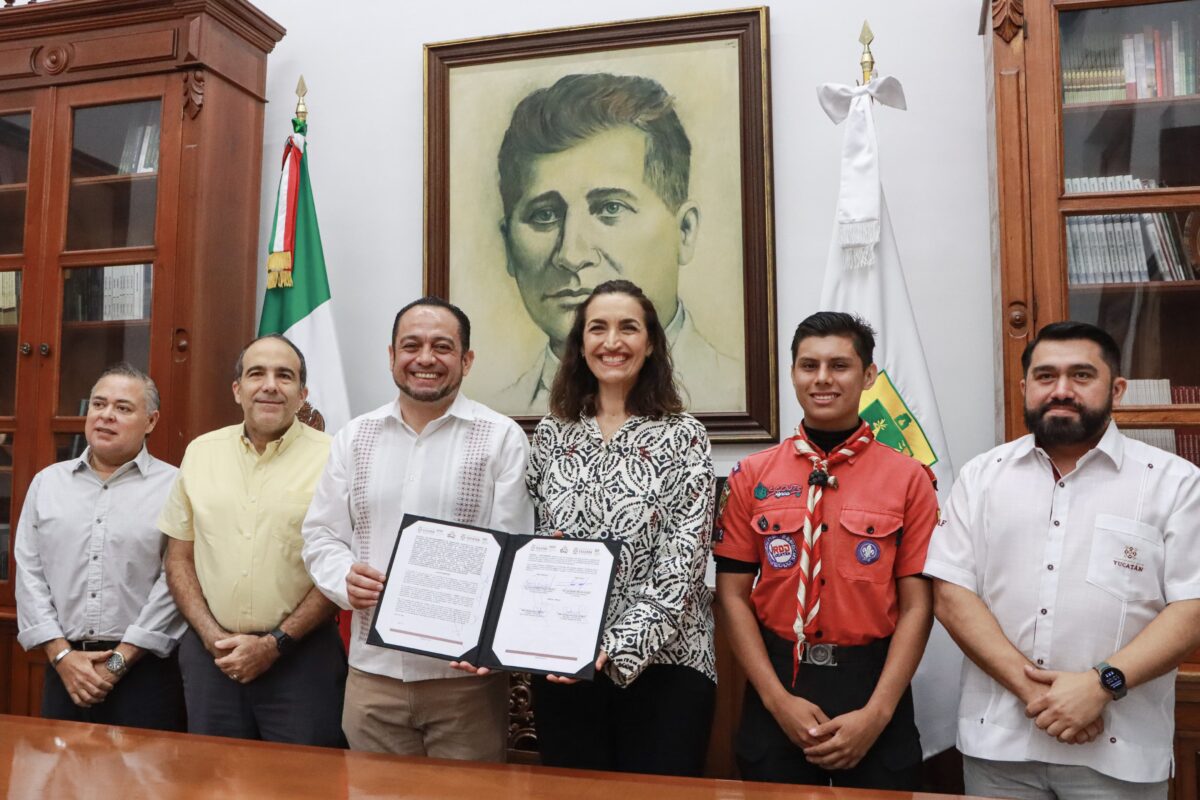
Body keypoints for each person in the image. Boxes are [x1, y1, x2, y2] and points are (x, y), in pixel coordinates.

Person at [925, 321, 1200, 800]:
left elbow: (1191, 607)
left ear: (1116, 388)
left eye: (1081, 375)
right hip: (999, 749)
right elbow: (951, 596)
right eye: (1046, 375)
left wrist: (1101, 686)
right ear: (1025, 386)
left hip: (1120, 753)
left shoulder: (1174, 483)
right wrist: (1035, 693)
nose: (1062, 390)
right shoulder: (981, 477)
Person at [713, 311, 937, 791]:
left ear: (868, 375)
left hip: (872, 682)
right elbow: (731, 596)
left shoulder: (909, 479)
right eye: (808, 365)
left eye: (840, 366)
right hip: (779, 680)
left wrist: (877, 714)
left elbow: (919, 606)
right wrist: (777, 701)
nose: (822, 379)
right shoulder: (752, 476)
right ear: (793, 373)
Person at [301, 297, 533, 760]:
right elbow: (321, 535)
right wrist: (343, 577)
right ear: (392, 356)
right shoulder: (354, 437)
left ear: (466, 360)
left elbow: (513, 551)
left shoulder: (501, 437)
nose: (425, 358)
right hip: (371, 675)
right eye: (411, 345)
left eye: (442, 346)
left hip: (463, 681)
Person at [518, 278, 717, 776]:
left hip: (668, 666)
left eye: (628, 328)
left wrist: (615, 648)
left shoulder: (684, 436)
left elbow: (684, 566)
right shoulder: (551, 433)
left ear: (650, 343)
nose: (612, 342)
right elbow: (536, 544)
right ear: (580, 345)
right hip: (564, 663)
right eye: (597, 328)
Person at [494, 72, 740, 414]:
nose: (571, 255)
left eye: (611, 208)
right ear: (508, 245)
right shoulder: (502, 415)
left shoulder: (728, 389)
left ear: (683, 231)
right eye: (544, 215)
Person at [160, 334, 345, 745]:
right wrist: (212, 637)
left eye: (285, 376)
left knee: (300, 785)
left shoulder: (336, 458)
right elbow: (178, 559)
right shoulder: (200, 452)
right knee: (213, 782)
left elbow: (342, 565)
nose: (270, 385)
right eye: (256, 373)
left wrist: (275, 644)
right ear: (237, 389)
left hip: (302, 657)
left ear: (303, 394)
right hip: (213, 658)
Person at [14, 363, 185, 730]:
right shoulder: (48, 483)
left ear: (151, 421)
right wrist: (61, 655)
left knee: (141, 786)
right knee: (62, 783)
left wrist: (120, 660)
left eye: (123, 408)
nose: (106, 415)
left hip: (146, 673)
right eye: (98, 404)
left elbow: (177, 580)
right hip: (63, 668)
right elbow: (29, 573)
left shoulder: (176, 486)